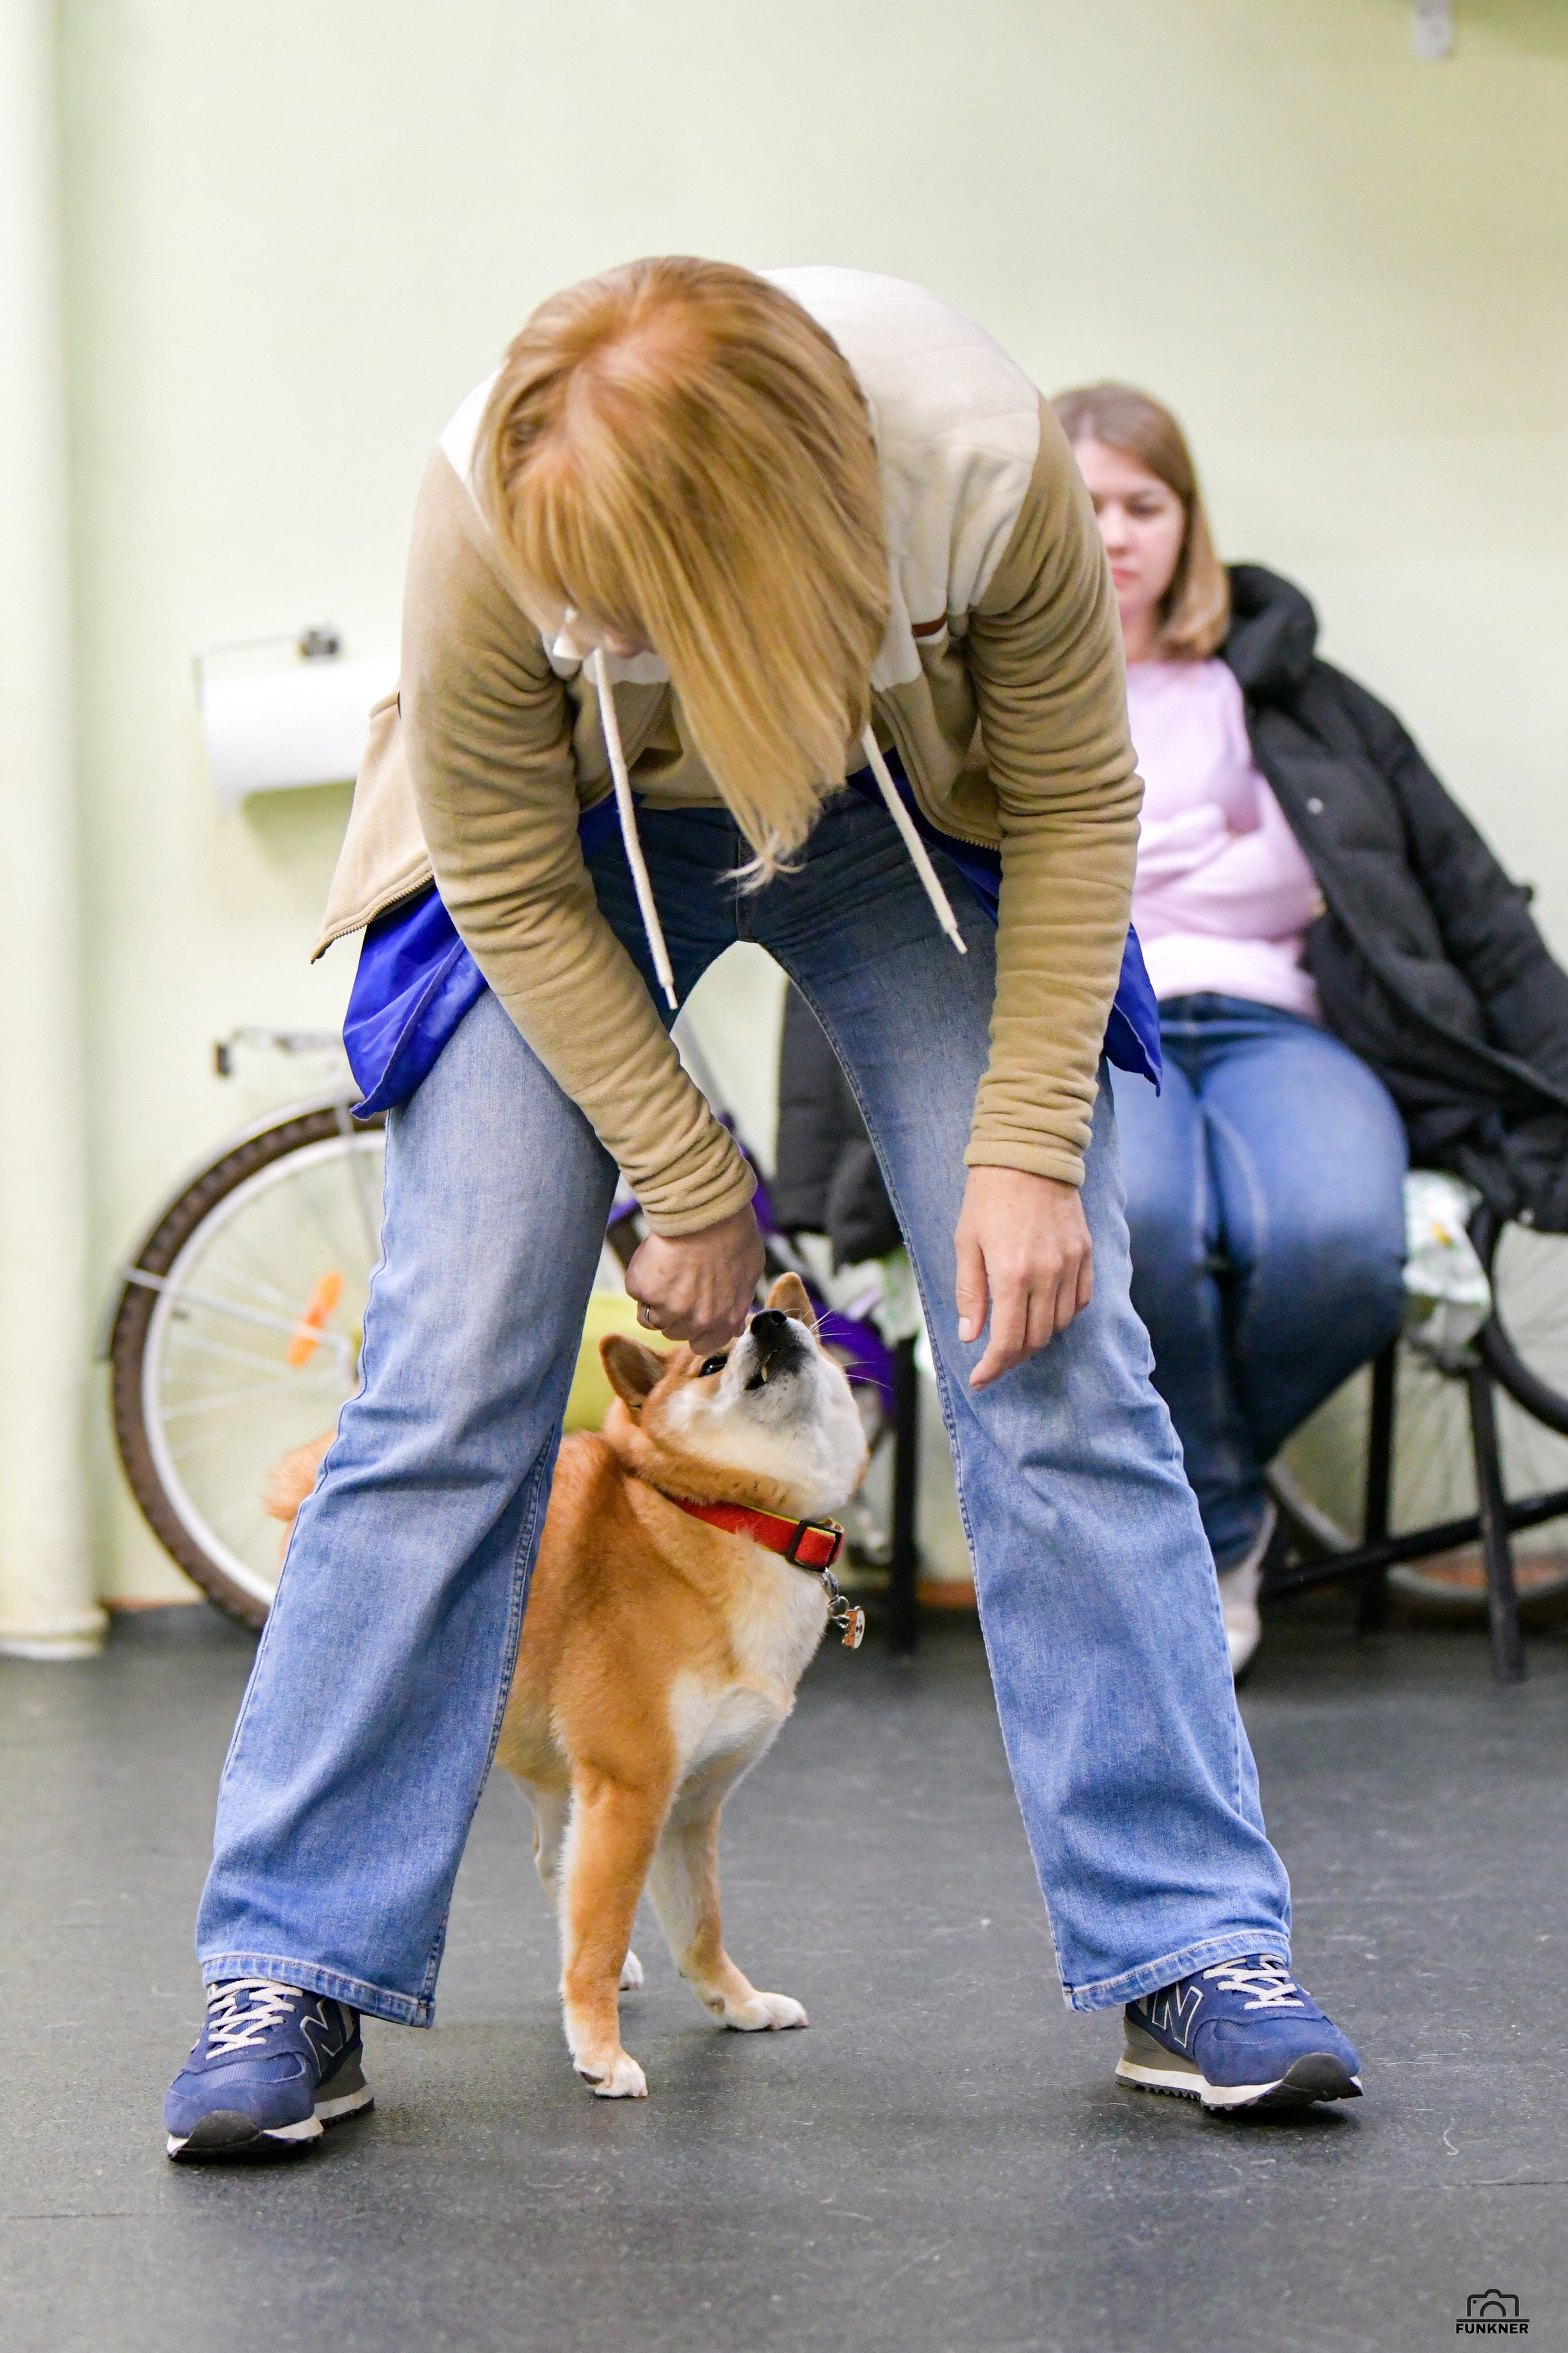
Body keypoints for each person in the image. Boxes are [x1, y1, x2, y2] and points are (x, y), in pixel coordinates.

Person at [164, 263, 1362, 2159]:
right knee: (454, 1358)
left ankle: (1196, 1949)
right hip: (568, 839)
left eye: (629, 607)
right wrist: (687, 1171)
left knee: (1058, 1349)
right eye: (580, 601)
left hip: (906, 806)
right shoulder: (487, 501)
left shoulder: (984, 467)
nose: (594, 627)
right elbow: (501, 870)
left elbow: (1072, 804)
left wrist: (1026, 1148)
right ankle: (290, 1965)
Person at [1054, 380, 1568, 1675]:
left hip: (1285, 1023)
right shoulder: (990, 696)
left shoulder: (1304, 696)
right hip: (1100, 1032)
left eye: (1142, 504)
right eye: (1083, 503)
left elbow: (1462, 891)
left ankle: (1200, 1509)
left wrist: (1554, 1080)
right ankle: (1226, 1534)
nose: (1114, 533)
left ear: (1187, 520)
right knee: (1143, 1228)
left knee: (1343, 1243)